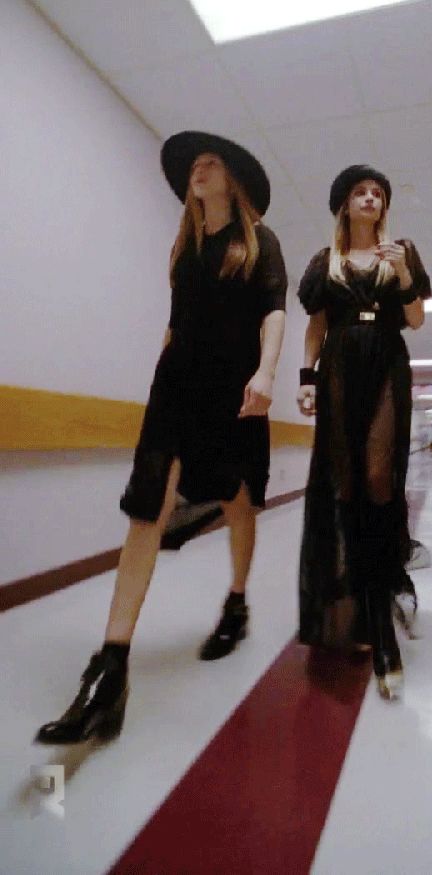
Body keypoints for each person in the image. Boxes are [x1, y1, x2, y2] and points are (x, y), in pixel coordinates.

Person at [36, 131, 287, 744]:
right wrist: (159, 389)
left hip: (233, 394)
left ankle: (236, 600)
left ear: (233, 179)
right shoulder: (183, 248)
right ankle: (110, 670)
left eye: (210, 163)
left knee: (236, 500)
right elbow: (176, 329)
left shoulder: (260, 243)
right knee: (146, 506)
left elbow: (274, 310)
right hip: (176, 389)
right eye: (193, 166)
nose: (198, 172)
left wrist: (267, 371)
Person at [296, 165, 432, 700]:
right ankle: (354, 605)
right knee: (344, 487)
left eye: (378, 193)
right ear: (345, 205)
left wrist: (401, 276)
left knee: (379, 481)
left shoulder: (402, 253)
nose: (371, 198)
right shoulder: (323, 262)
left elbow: (417, 319)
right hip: (337, 371)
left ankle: (381, 625)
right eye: (361, 192)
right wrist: (306, 379)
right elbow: (316, 325)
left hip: (385, 368)